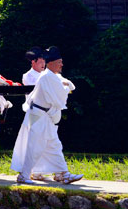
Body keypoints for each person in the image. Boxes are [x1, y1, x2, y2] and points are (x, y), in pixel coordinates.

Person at [11, 46, 83, 185]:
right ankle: (24, 175)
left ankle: (63, 173)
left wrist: (66, 86)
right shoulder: (47, 76)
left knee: (54, 145)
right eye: (60, 61)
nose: (62, 64)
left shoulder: (51, 76)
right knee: (35, 146)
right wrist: (66, 87)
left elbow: (65, 88)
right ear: (52, 63)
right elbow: (60, 96)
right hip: (39, 115)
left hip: (44, 115)